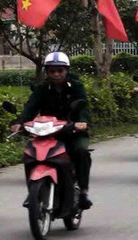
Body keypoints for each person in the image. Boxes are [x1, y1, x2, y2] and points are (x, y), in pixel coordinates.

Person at [11, 52, 92, 210]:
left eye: (59, 71)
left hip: (72, 131)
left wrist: (82, 122)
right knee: (30, 153)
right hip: (47, 132)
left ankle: (83, 191)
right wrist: (20, 123)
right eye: (52, 71)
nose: (56, 74)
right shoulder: (42, 88)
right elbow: (31, 107)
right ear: (47, 72)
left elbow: (83, 106)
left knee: (81, 151)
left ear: (66, 71)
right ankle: (33, 191)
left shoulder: (76, 86)